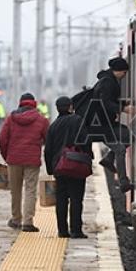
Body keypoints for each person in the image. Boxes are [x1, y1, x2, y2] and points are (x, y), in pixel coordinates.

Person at [0, 93, 49, 232]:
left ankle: (15, 219)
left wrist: (6, 156)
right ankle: (28, 222)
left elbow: (2, 139)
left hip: (14, 159)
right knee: (30, 190)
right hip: (32, 160)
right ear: (34, 103)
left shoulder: (11, 119)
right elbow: (48, 140)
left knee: (15, 191)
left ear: (20, 103)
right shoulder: (41, 120)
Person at [83, 56, 135, 192]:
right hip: (99, 125)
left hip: (105, 122)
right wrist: (123, 108)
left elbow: (107, 100)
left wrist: (123, 103)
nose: (125, 75)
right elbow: (104, 102)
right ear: (118, 71)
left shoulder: (108, 80)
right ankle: (124, 182)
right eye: (124, 72)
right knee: (120, 149)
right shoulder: (107, 82)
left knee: (128, 136)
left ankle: (108, 159)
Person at [44, 96, 91, 239]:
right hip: (76, 165)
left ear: (57, 108)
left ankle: (62, 231)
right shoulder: (78, 120)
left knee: (61, 199)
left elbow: (48, 150)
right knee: (76, 199)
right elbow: (85, 140)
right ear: (70, 107)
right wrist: (88, 157)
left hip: (59, 167)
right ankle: (76, 230)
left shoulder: (53, 126)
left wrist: (50, 169)